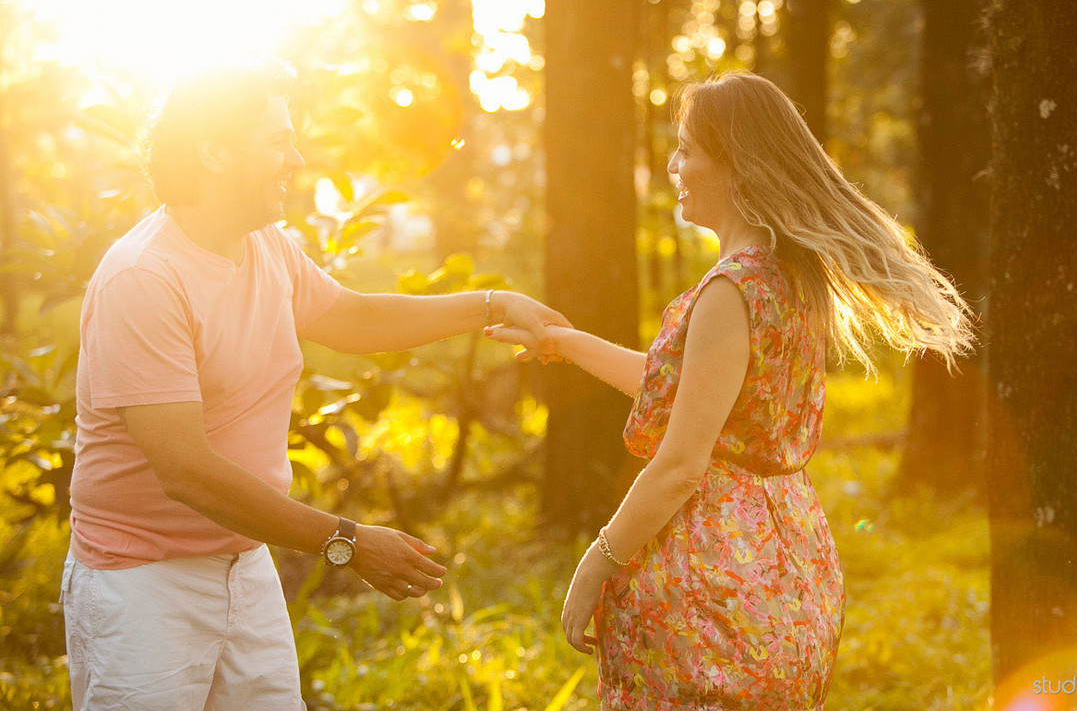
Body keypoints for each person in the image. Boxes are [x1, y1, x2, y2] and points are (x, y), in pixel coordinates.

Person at [61, 63, 568, 710]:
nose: (295, 159)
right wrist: (348, 543)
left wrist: (493, 304)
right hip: (141, 583)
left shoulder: (267, 245)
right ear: (214, 151)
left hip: (244, 565)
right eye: (277, 141)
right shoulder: (144, 278)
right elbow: (184, 470)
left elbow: (351, 317)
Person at [486, 71, 974, 710]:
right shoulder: (791, 277)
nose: (674, 165)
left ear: (736, 164)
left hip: (714, 573)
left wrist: (597, 562)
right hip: (785, 555)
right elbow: (696, 394)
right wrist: (565, 343)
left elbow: (683, 464)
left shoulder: (730, 290)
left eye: (687, 148)